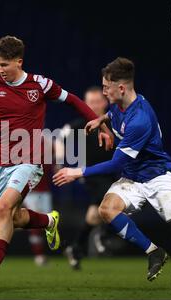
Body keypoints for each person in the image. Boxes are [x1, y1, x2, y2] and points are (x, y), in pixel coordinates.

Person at [0, 35, 113, 288]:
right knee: (14, 217)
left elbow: (73, 100)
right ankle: (49, 221)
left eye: (5, 65)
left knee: (3, 209)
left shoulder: (39, 85)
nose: (1, 70)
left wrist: (100, 124)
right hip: (1, 162)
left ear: (19, 61)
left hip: (30, 160)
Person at [53, 57, 171, 290]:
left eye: (106, 87)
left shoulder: (139, 119)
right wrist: (101, 120)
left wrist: (76, 172)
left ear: (120, 88)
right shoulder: (119, 104)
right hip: (133, 178)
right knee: (106, 209)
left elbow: (116, 164)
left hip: (159, 178)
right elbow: (112, 115)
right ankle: (154, 251)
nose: (103, 92)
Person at [56, 86, 116, 270]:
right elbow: (59, 137)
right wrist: (60, 161)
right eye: (91, 102)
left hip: (111, 173)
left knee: (93, 215)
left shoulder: (114, 122)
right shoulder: (81, 124)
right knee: (113, 198)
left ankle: (75, 248)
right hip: (90, 174)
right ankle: (103, 234)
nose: (95, 105)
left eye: (98, 101)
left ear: (105, 102)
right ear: (85, 104)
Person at [23, 164, 53, 267]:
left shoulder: (49, 150)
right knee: (35, 224)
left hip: (45, 192)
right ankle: (39, 255)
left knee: (48, 223)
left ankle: (43, 253)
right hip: (31, 193)